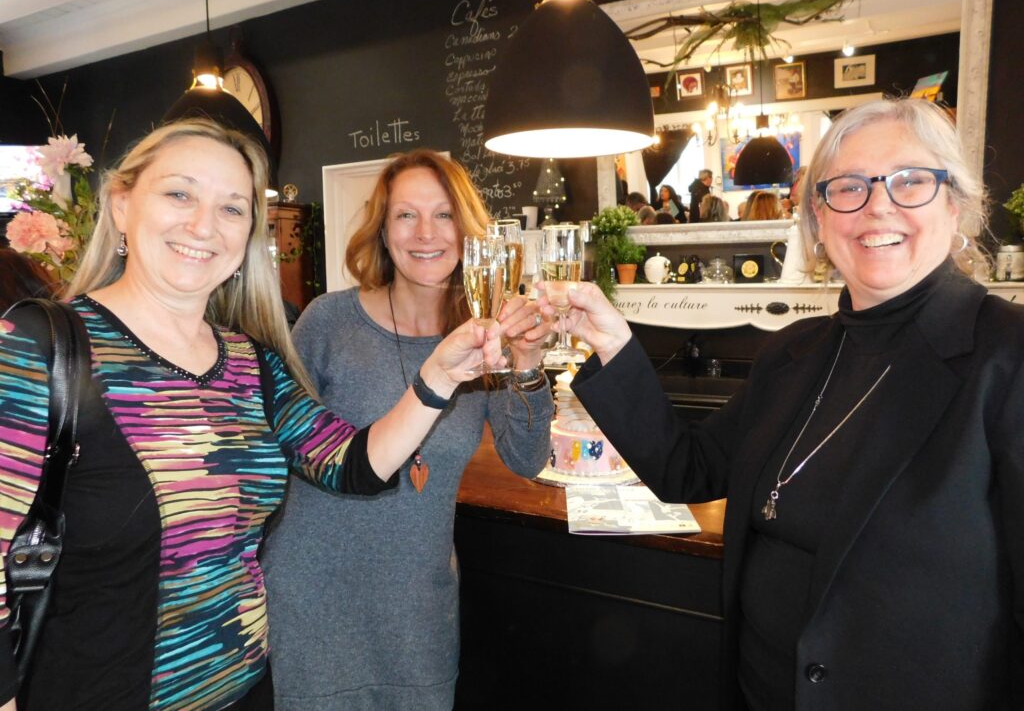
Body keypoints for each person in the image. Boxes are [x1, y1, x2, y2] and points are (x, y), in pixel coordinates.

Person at [0, 119, 507, 711]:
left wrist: (440, 375)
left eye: (232, 208)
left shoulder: (247, 361)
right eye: (180, 193)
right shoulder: (36, 346)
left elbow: (352, 464)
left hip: (248, 689)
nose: (203, 225)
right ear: (121, 206)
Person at [539, 98, 1021, 710]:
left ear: (955, 204)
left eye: (910, 181)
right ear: (819, 220)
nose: (878, 206)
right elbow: (687, 468)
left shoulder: (1008, 357)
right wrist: (612, 339)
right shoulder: (795, 353)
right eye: (847, 187)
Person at [262, 150, 553, 710]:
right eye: (405, 215)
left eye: (444, 215)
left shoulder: (482, 333)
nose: (426, 233)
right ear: (382, 229)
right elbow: (284, 452)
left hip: (418, 609)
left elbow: (525, 458)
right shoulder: (329, 322)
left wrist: (527, 363)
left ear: (467, 230)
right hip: (315, 599)